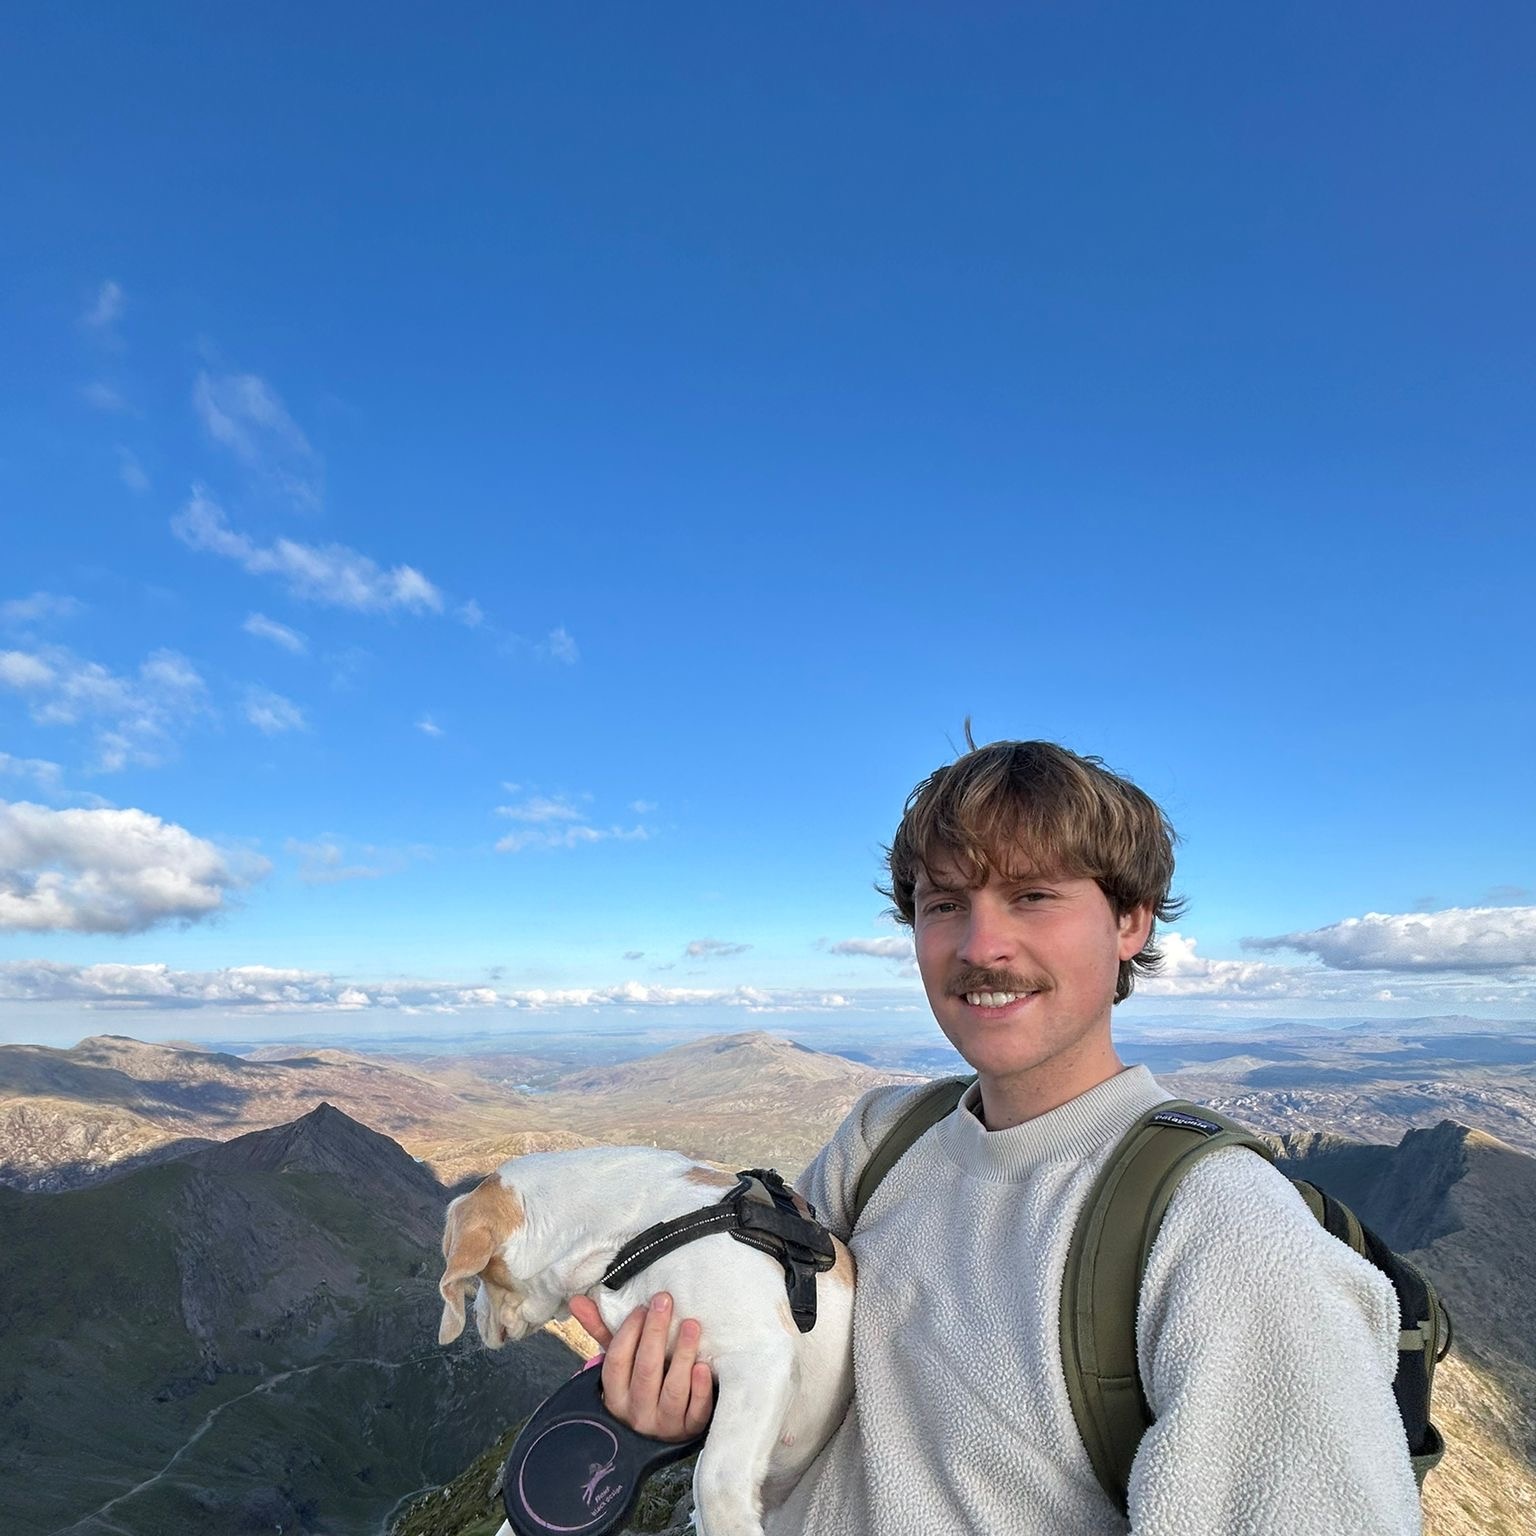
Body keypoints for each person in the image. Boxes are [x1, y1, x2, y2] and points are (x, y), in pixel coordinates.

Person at [569, 736, 1421, 1533]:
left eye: (1033, 895)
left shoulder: (1223, 1234)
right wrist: (692, 1399)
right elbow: (783, 1356)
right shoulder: (881, 1141)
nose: (982, 945)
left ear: (1132, 922)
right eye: (945, 904)